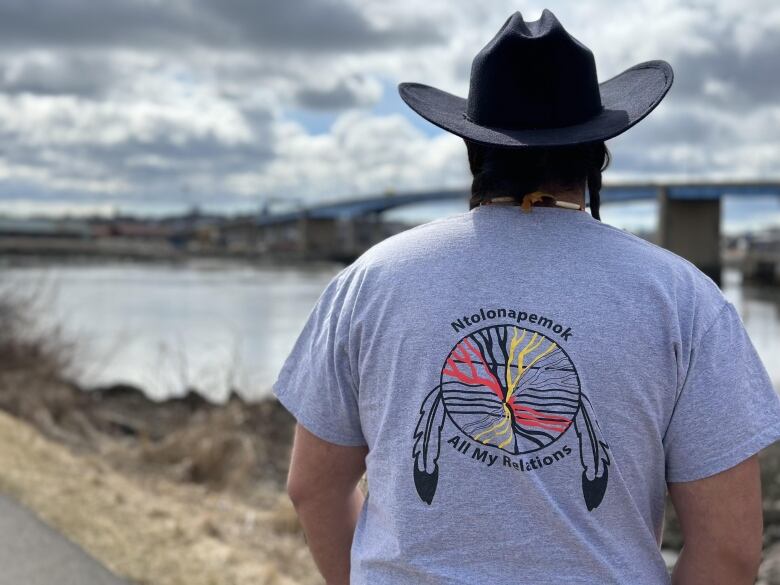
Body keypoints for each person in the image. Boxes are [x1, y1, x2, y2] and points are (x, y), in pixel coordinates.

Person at [272, 9, 780, 585]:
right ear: (598, 157)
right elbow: (731, 549)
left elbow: (311, 487)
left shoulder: (369, 283)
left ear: (472, 150)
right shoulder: (683, 300)